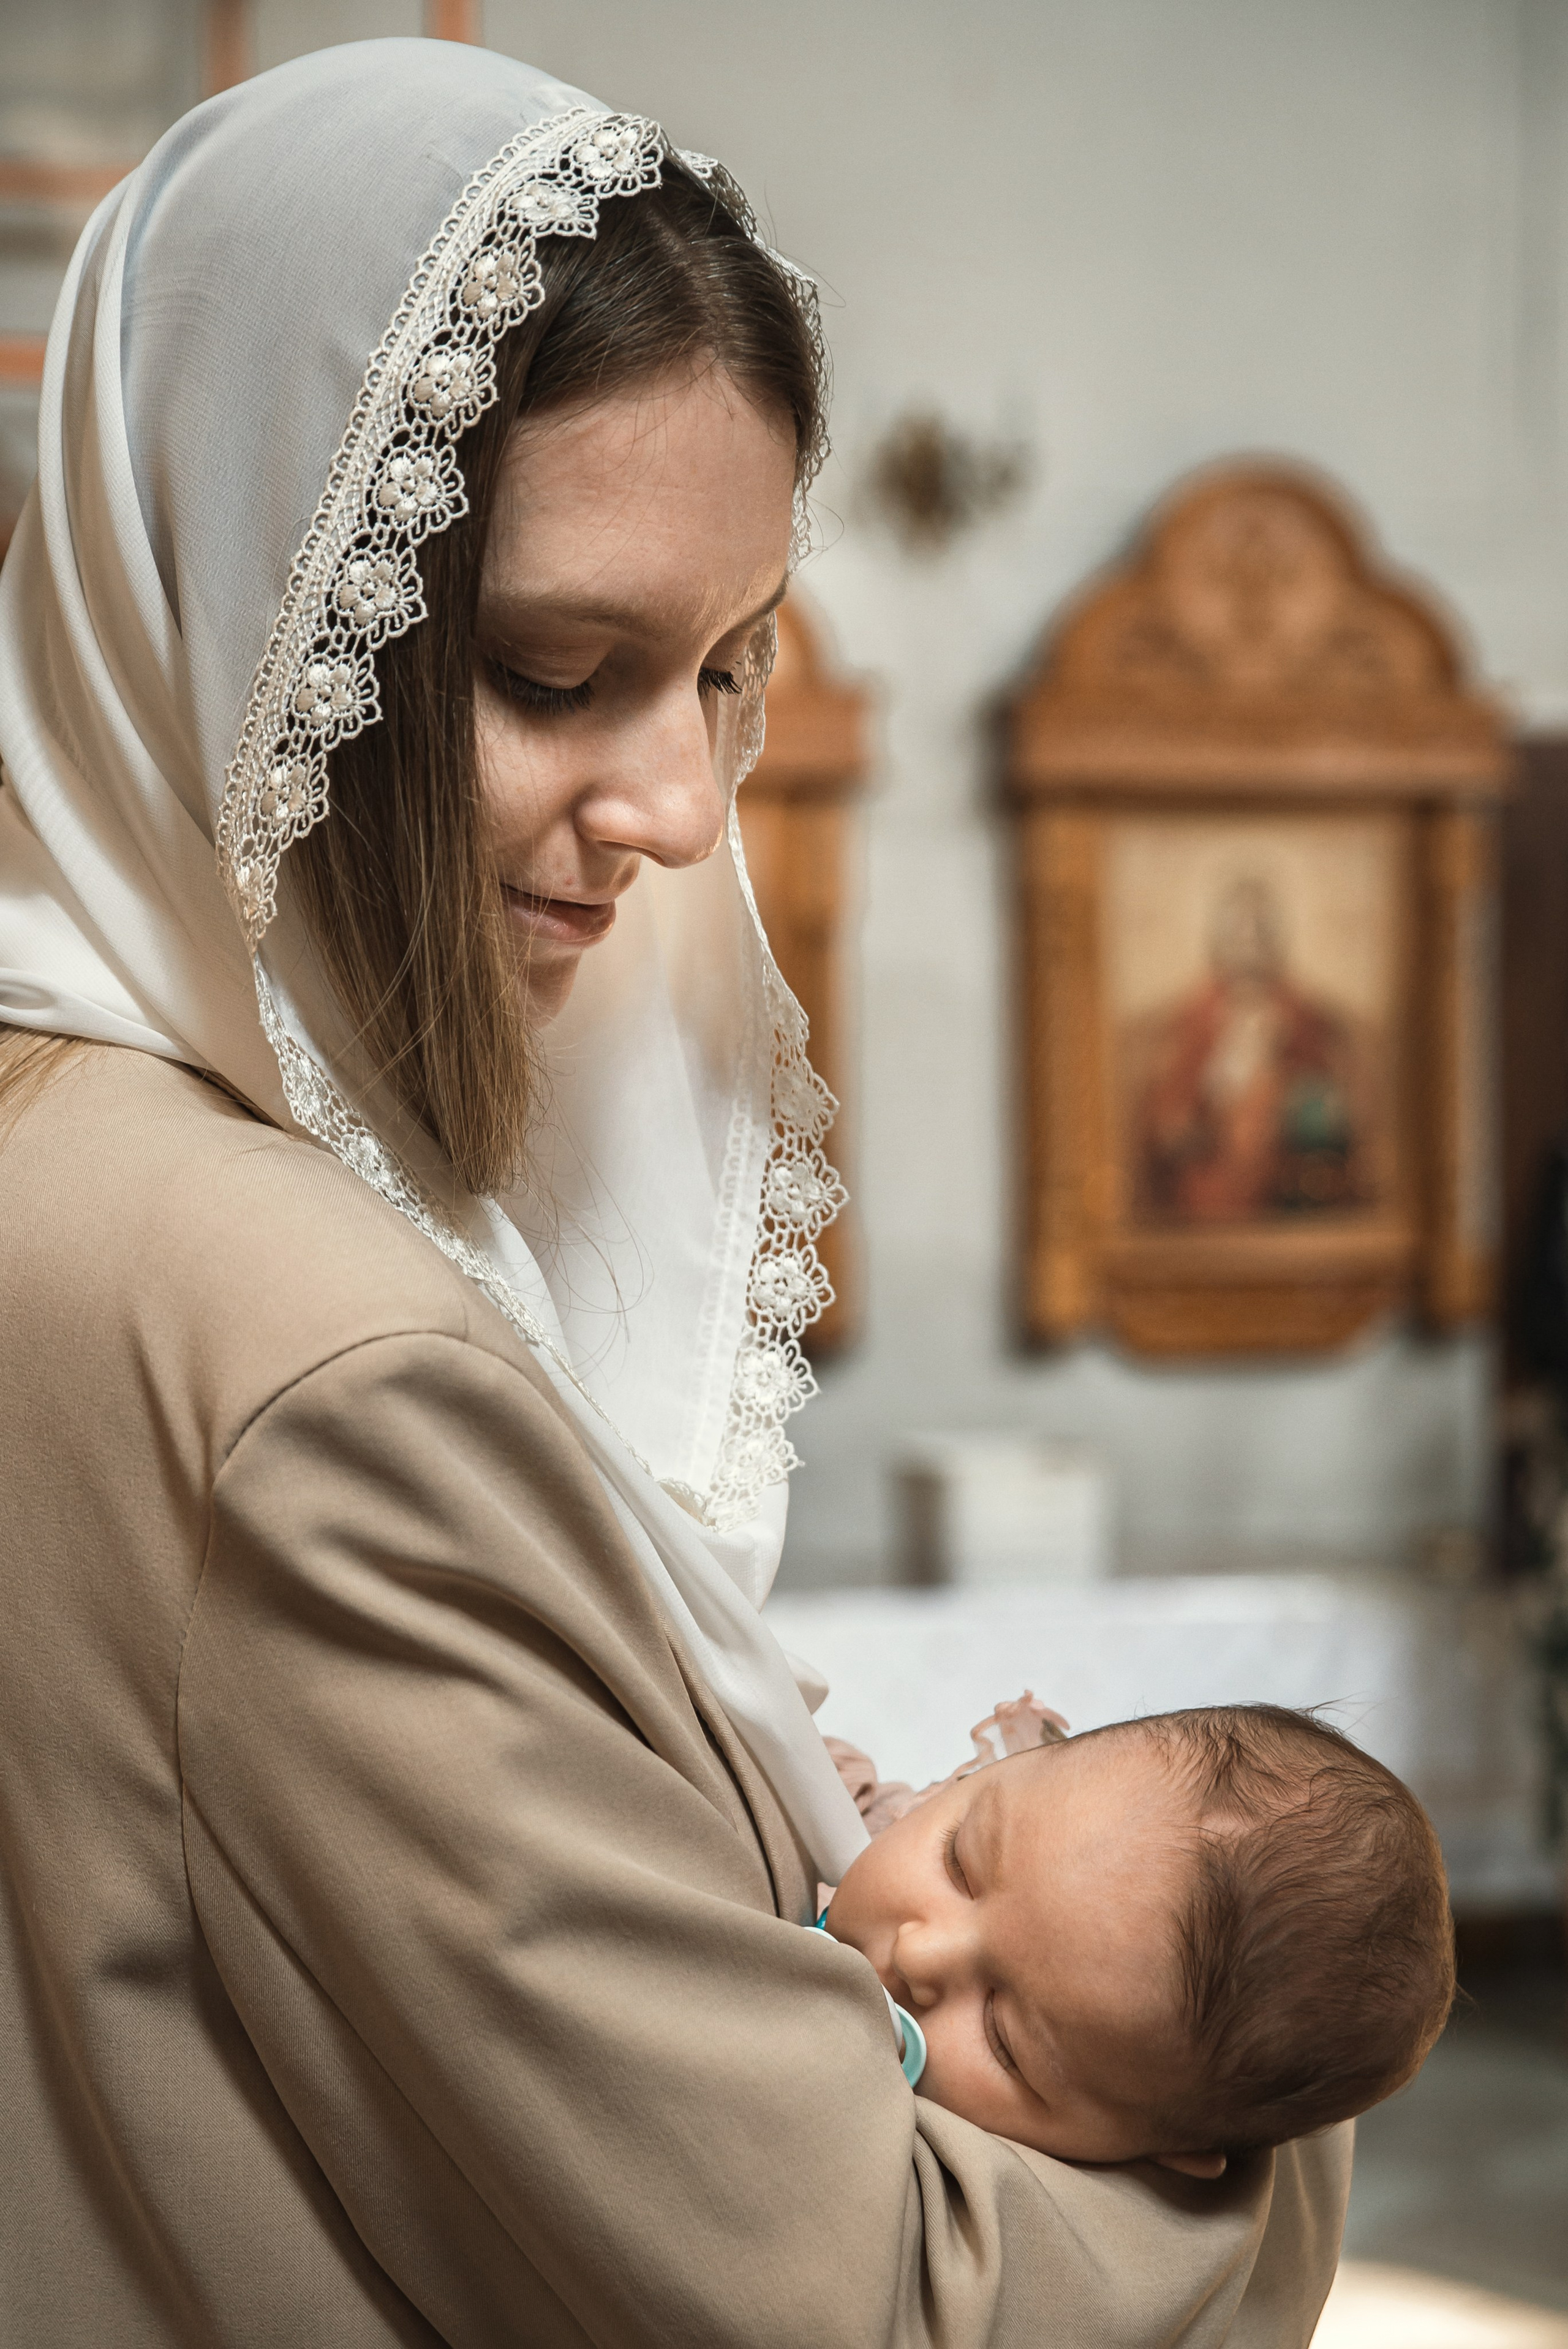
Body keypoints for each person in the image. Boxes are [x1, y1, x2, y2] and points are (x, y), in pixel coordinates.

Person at [0, 40, 1350, 2345]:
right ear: (249, 624)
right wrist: (1273, 2105)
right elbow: (863, 2299)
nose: (678, 805)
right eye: (553, 670)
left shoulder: (87, 1132)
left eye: (725, 668)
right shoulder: (314, 1359)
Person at [821, 1703, 1454, 2173]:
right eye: (959, 1863)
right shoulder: (828, 1807)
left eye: (1003, 2038)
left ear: (1163, 2156)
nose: (916, 1953)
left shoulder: (920, 2191)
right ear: (965, 1782)